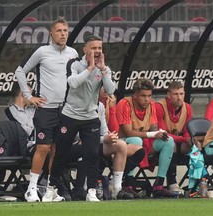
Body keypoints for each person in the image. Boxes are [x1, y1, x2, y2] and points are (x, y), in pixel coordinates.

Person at [15, 17, 78, 202]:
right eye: (59, 31)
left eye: (65, 31)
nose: (63, 34)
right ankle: (31, 189)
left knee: (56, 150)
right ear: (51, 33)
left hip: (65, 110)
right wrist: (29, 96)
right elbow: (20, 71)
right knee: (42, 147)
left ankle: (50, 189)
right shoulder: (42, 52)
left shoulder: (73, 53)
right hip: (46, 108)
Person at [49, 35, 115, 202]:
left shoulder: (103, 68)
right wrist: (90, 68)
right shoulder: (74, 64)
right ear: (85, 49)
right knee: (61, 153)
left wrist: (102, 70)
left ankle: (91, 191)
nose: (97, 51)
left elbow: (110, 89)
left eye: (100, 48)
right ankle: (51, 187)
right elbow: (73, 83)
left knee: (92, 154)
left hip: (90, 117)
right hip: (70, 115)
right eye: (93, 48)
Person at [116, 79, 175, 198]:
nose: (147, 99)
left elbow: (153, 128)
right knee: (136, 141)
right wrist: (151, 134)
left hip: (144, 143)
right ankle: (128, 184)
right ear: (135, 95)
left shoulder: (151, 105)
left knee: (168, 140)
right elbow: (128, 132)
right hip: (122, 144)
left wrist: (159, 132)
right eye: (143, 96)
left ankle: (158, 185)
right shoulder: (125, 103)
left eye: (149, 96)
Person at [72, 102, 134, 200]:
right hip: (74, 145)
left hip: (94, 143)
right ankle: (85, 189)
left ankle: (116, 189)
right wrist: (103, 139)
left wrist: (109, 138)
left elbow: (104, 132)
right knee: (88, 147)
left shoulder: (100, 106)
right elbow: (75, 136)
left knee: (121, 145)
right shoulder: (77, 102)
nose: (107, 92)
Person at [99, 87, 145, 198]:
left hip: (109, 141)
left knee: (138, 150)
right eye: (104, 87)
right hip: (95, 142)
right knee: (121, 145)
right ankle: (108, 184)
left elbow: (113, 129)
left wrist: (112, 108)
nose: (107, 91)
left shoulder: (108, 103)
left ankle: (116, 184)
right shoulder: (94, 104)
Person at [155, 81, 193, 194]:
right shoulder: (159, 106)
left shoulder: (187, 108)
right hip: (161, 142)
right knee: (170, 142)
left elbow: (187, 131)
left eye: (181, 94)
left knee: (193, 145)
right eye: (175, 94)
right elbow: (163, 133)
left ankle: (198, 181)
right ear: (168, 95)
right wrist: (184, 139)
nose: (179, 97)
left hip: (179, 142)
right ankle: (172, 182)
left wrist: (190, 140)